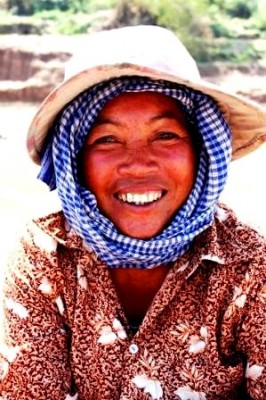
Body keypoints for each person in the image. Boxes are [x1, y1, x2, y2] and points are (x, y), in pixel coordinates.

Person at [0, 25, 265, 400]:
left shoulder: (250, 264)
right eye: (107, 139)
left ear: (202, 151)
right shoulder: (45, 257)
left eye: (166, 135)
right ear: (75, 160)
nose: (138, 165)